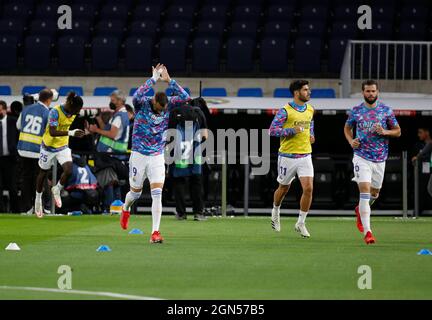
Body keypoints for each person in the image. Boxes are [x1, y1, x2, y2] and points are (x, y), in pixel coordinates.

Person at [120, 64, 191, 243]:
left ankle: (155, 233)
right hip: (138, 154)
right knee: (134, 194)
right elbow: (136, 95)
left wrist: (169, 80)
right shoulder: (142, 104)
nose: (161, 111)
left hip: (157, 155)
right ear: (153, 102)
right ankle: (125, 208)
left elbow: (186, 97)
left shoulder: (167, 105)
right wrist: (153, 79)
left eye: (163, 109)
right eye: (159, 108)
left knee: (157, 193)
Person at [344, 79, 401, 245]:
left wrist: (385, 131)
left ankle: (359, 210)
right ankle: (368, 232)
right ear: (363, 92)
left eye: (373, 91)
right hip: (361, 156)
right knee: (364, 190)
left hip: (380, 158)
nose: (370, 94)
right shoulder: (356, 111)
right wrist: (350, 141)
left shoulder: (386, 110)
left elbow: (398, 132)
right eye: (368, 91)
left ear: (377, 92)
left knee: (374, 194)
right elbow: (347, 128)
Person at [269, 80, 315, 238]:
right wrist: (291, 131)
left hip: (305, 155)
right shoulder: (285, 111)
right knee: (283, 189)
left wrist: (311, 134)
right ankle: (275, 210)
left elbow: (310, 123)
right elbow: (273, 131)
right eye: (305, 90)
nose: (309, 92)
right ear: (297, 93)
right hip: (287, 156)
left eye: (308, 89)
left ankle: (301, 223)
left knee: (308, 188)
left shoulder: (310, 109)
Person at [34, 92, 86, 218]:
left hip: (62, 146)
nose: (77, 113)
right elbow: (52, 132)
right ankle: (38, 199)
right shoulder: (55, 112)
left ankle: (57, 189)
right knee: (43, 173)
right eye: (76, 110)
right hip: (48, 147)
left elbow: (86, 114)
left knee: (68, 170)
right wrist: (71, 133)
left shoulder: (74, 110)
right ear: (71, 105)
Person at [88, 90, 130, 213]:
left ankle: (110, 208)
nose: (110, 103)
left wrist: (96, 130)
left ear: (120, 101)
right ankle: (116, 208)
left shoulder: (119, 116)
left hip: (111, 156)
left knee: (109, 181)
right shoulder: (119, 115)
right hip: (111, 155)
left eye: (113, 101)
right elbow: (108, 131)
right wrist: (99, 121)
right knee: (113, 181)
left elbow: (112, 134)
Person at [168, 99, 208, 221]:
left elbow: (170, 135)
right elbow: (205, 136)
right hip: (195, 154)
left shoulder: (174, 113)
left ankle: (181, 213)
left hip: (179, 154)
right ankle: (198, 213)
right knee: (196, 182)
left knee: (179, 182)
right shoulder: (199, 112)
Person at [16, 89, 52, 214]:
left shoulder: (26, 109)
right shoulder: (47, 112)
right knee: (41, 178)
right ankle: (45, 207)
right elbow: (51, 133)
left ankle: (27, 208)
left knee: (26, 180)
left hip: (23, 150)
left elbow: (18, 126)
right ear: (49, 100)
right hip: (37, 151)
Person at [0, 100, 19, 213]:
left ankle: (16, 210)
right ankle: (1, 211)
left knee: (12, 187)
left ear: (5, 110)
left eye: (0, 109)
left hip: (10, 159)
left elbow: (19, 137)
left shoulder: (13, 121)